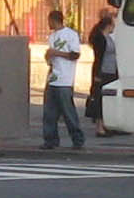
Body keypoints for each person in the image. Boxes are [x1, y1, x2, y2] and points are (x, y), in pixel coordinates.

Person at [41, 8, 86, 150]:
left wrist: (57, 53)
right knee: (49, 111)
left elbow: (75, 54)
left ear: (54, 20)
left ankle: (77, 138)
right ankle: (50, 139)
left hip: (65, 78)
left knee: (68, 111)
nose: (48, 24)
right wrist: (49, 57)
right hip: (53, 76)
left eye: (49, 21)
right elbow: (51, 57)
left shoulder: (71, 35)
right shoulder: (52, 37)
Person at [84, 8, 118, 136]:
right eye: (112, 25)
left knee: (107, 99)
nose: (113, 28)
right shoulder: (100, 39)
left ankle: (105, 124)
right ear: (108, 26)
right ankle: (99, 126)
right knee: (99, 99)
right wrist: (97, 75)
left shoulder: (108, 38)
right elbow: (99, 58)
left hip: (111, 71)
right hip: (103, 71)